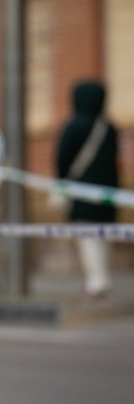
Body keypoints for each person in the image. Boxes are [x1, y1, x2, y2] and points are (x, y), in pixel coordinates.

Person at [56, 79, 119, 298]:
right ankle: (102, 278)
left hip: (82, 193)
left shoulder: (74, 126)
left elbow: (63, 159)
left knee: (88, 236)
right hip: (109, 193)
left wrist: (62, 181)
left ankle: (97, 282)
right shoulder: (109, 128)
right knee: (104, 235)